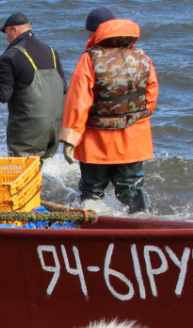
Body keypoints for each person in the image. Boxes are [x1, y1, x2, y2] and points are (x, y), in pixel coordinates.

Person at [59, 8, 158, 214]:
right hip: (133, 141)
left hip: (96, 143)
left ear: (96, 32)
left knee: (92, 191)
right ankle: (142, 229)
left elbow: (78, 101)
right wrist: (133, 121)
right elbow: (151, 96)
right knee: (132, 190)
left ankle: (93, 232)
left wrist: (70, 138)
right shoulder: (141, 56)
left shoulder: (89, 59)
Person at [0, 12, 66, 160]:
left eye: (6, 32)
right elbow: (63, 88)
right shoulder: (51, 52)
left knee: (21, 170)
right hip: (54, 127)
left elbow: (4, 95)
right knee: (39, 168)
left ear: (14, 30)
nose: (6, 37)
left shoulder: (9, 57)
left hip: (29, 131)